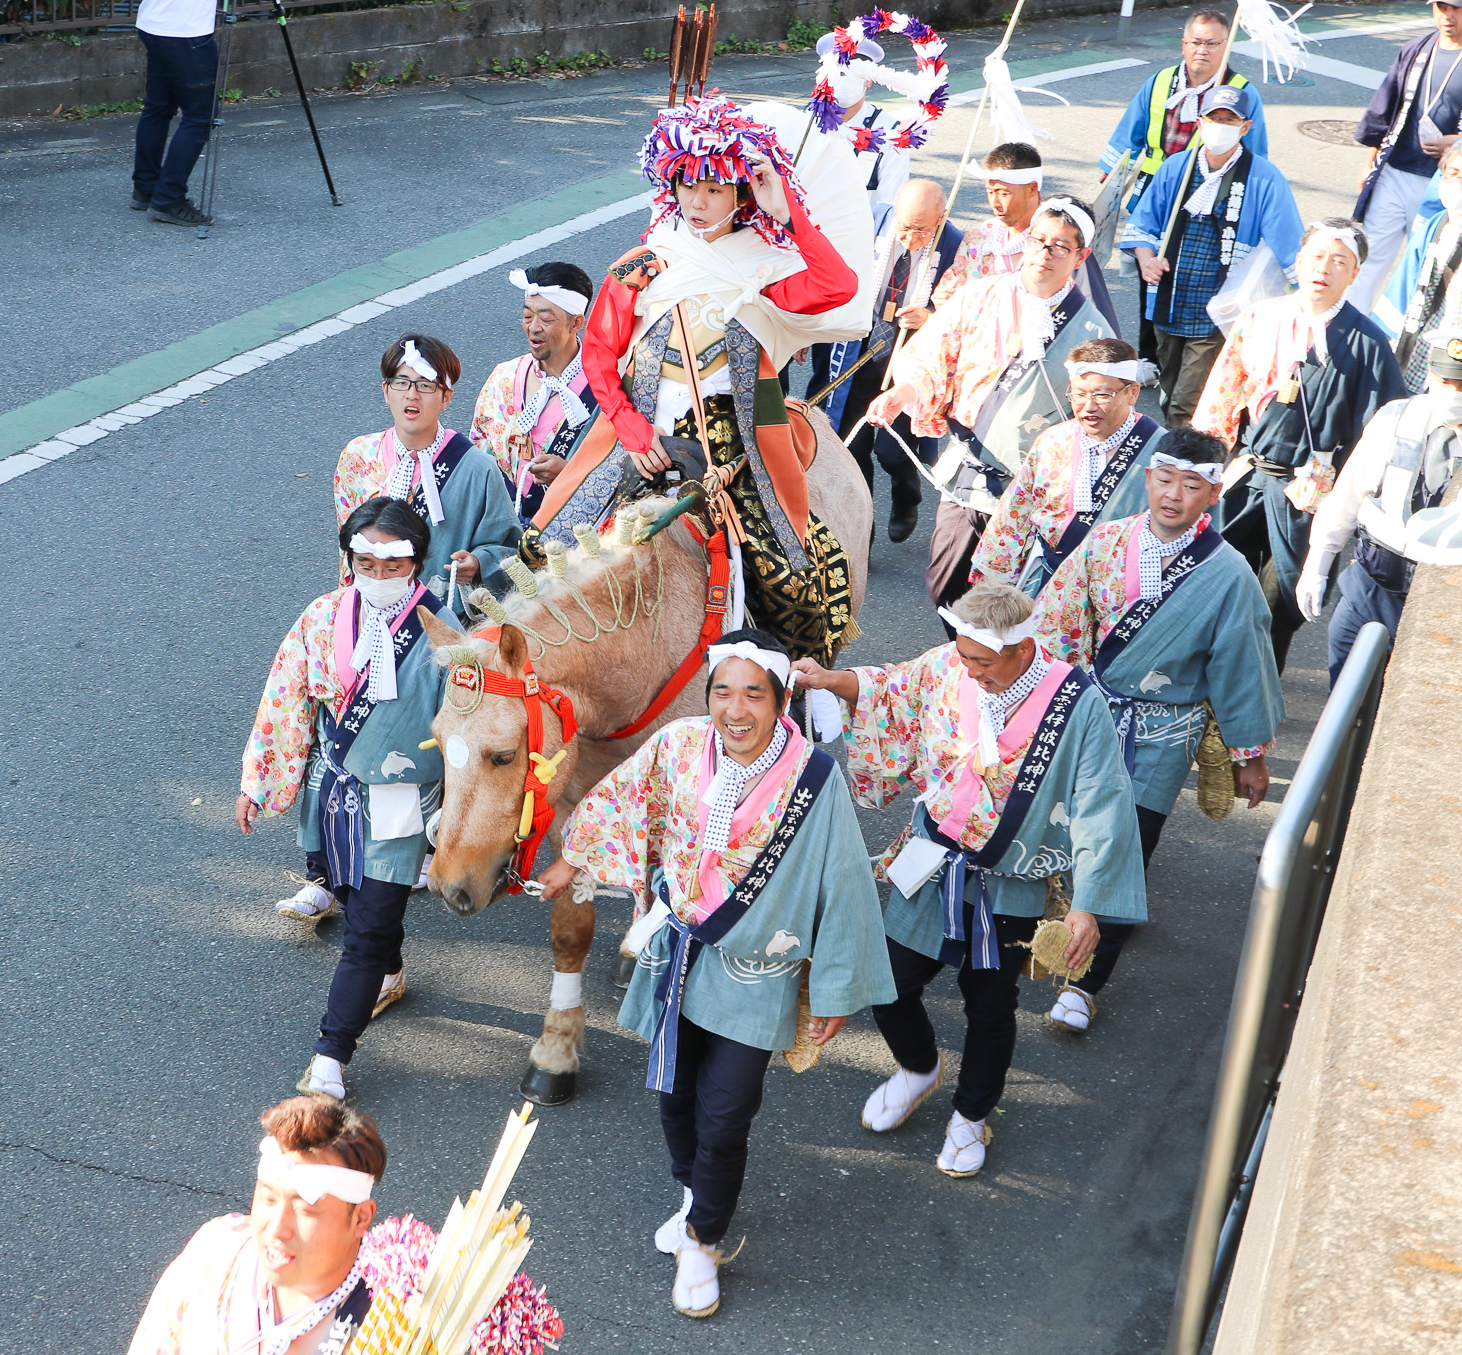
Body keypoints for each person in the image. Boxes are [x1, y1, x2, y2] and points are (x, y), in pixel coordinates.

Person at [539, 628, 894, 1318]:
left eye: (752, 693)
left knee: (727, 1110)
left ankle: (703, 1238)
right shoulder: (679, 745)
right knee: (674, 1092)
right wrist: (572, 860)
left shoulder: (814, 779)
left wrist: (836, 984)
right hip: (680, 955)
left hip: (755, 974)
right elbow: (621, 801)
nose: (735, 709)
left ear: (780, 699)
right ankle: (691, 1190)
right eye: (722, 690)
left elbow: (846, 882)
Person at [793, 580, 1145, 1179]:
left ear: (1019, 647)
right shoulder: (951, 664)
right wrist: (832, 681)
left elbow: (1101, 802)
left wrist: (1088, 904)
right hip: (931, 861)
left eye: (982, 661)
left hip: (1010, 878)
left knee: (990, 1004)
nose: (970, 669)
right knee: (888, 982)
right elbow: (893, 686)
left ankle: (970, 1115)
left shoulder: (1076, 702)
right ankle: (918, 1066)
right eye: (963, 656)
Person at [532, 93, 861, 661]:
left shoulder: (763, 264)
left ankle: (798, 685)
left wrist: (787, 214)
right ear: (672, 185)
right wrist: (633, 433)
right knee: (550, 546)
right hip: (644, 435)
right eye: (689, 186)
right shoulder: (643, 264)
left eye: (715, 189)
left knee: (789, 574)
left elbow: (838, 286)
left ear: (740, 193)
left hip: (736, 439)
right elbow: (599, 356)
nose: (700, 201)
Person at [1032, 428, 1281, 1032]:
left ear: (1213, 493)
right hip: (1093, 716)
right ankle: (1052, 933)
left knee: (1125, 849)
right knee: (1060, 832)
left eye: (1191, 484)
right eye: (1165, 479)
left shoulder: (1229, 575)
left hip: (1163, 732)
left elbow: (1242, 666)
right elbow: (1056, 626)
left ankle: (1087, 984)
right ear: (1148, 478)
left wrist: (1249, 755)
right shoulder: (1106, 542)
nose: (1174, 494)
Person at [238, 499, 458, 1100]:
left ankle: (331, 1056)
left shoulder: (447, 632)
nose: (379, 577)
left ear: (417, 561)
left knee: (368, 922)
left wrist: (459, 816)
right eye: (365, 562)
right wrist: (259, 782)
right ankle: (388, 970)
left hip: (401, 800)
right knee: (364, 903)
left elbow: (468, 732)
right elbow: (286, 700)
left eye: (393, 566)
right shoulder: (321, 617)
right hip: (333, 789)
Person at [867, 197, 1116, 614]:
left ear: (1080, 256)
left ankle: (988, 671)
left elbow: (1099, 420)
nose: (1044, 253)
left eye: (1060, 246)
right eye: (1038, 240)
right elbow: (933, 358)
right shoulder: (978, 296)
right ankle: (975, 662)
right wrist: (900, 393)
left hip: (1036, 486)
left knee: (1009, 600)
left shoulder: (1093, 332)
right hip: (970, 467)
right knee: (945, 586)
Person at [1194, 219, 1408, 668]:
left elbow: (1379, 436)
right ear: (1298, 260)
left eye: (1339, 261)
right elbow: (1223, 395)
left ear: (1354, 274)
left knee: (1278, 600)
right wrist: (1201, 465)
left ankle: (1256, 698)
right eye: (1316, 256)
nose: (1323, 268)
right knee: (1212, 580)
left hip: (1308, 491)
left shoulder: (1369, 344)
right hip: (1247, 474)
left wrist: (1355, 505)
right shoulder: (1259, 318)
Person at [129, 1097, 384, 1353]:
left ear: (360, 1217)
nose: (276, 1228)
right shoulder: (215, 1252)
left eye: (305, 1210)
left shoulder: (392, 1317)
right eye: (268, 1199)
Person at [1118, 85, 1304, 429]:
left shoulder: (1264, 178)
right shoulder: (1177, 167)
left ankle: (1181, 459)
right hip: (1170, 297)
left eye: (1229, 120)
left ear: (1245, 127)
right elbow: (1143, 224)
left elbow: (1290, 243)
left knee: (1187, 402)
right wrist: (1146, 259)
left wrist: (1309, 296)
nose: (1220, 126)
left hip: (1218, 307)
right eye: (1214, 118)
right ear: (1200, 122)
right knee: (1170, 388)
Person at [1099, 9, 1271, 345]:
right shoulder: (1160, 82)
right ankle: (1149, 353)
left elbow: (1256, 158)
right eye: (1196, 42)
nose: (1202, 51)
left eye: (1212, 43)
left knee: (1196, 277)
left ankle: (1187, 354)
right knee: (1148, 274)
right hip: (1154, 195)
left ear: (1227, 46)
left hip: (1211, 200)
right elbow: (1126, 140)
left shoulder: (1242, 92)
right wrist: (1107, 190)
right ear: (1183, 44)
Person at [806, 179, 964, 545]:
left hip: (910, 360)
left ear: (941, 218)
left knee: (892, 450)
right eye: (905, 225)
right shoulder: (869, 223)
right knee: (852, 444)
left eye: (922, 229)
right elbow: (831, 274)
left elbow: (965, 308)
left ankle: (906, 497)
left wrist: (930, 315)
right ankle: (863, 530)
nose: (910, 236)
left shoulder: (956, 247)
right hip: (859, 349)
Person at [1298, 330, 1462, 682]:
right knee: (1343, 703)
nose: (1453, 394)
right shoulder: (1395, 418)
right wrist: (1317, 565)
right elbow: (1348, 495)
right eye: (1445, 381)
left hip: (1441, 595)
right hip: (1372, 581)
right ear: (1430, 376)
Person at [333, 334, 522, 607]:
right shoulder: (357, 457)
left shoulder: (477, 468)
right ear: (386, 391)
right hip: (370, 608)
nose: (412, 394)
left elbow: (508, 547)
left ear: (446, 397)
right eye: (401, 383)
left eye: (425, 385)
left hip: (442, 620)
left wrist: (479, 563)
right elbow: (347, 551)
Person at [970, 339, 1167, 594]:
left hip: (1121, 591)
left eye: (1102, 395)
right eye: (1079, 394)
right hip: (1047, 581)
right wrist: (992, 583)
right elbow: (1015, 512)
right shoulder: (1053, 441)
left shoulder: (1162, 454)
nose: (1088, 406)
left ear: (1133, 393)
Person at [1351, 0, 1462, 311]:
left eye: (1456, 8)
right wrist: (1369, 164)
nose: (1447, 16)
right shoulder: (1416, 50)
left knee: (1426, 267)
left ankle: (1406, 347)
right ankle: (1347, 342)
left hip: (1443, 184)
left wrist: (1457, 143)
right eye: (1441, 7)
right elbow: (1383, 110)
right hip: (1394, 171)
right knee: (1368, 258)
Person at [932, 143, 1122, 330]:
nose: (995, 203)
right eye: (989, 192)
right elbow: (949, 290)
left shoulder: (1059, 245)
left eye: (1003, 193)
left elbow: (1092, 313)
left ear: (1032, 189)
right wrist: (944, 298)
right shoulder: (979, 237)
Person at [469, 264, 598, 522]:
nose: (533, 327)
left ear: (576, 323)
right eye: (528, 316)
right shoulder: (503, 378)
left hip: (569, 532)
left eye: (547, 319)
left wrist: (570, 473)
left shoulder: (603, 388)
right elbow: (477, 452)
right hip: (499, 527)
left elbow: (621, 467)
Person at [1378, 141, 1462, 391]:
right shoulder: (1436, 226)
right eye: (1452, 173)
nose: (1457, 183)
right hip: (1418, 351)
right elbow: (1402, 290)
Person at [131, 0, 219, 227]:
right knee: (200, 116)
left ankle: (146, 187)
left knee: (158, 107)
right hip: (186, 29)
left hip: (155, 20)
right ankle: (169, 198)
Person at [813, 30, 910, 206]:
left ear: (869, 79)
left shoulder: (890, 134)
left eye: (854, 74)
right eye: (839, 73)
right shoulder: (805, 123)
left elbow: (889, 206)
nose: (844, 80)